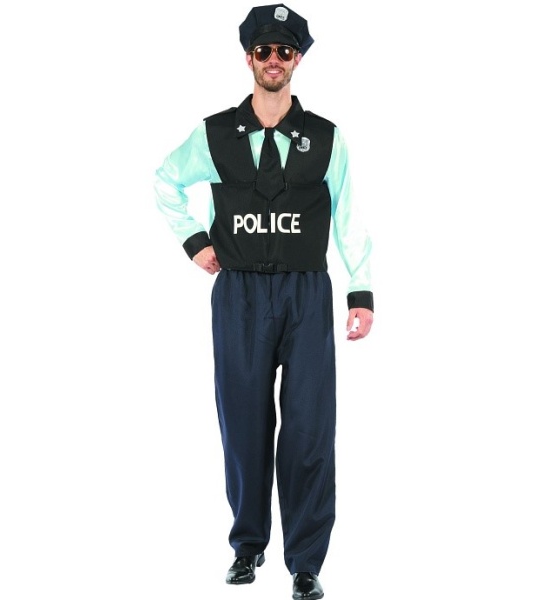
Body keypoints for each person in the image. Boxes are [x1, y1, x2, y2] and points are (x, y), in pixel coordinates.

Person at [154, 4, 373, 599]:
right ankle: (247, 546)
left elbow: (349, 215)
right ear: (248, 57)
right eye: (263, 51)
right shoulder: (214, 134)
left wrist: (360, 289)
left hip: (305, 293)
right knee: (244, 423)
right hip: (240, 293)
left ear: (297, 59)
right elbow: (165, 180)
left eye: (284, 51)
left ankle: (306, 562)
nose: (273, 60)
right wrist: (196, 242)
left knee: (308, 429)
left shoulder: (326, 137)